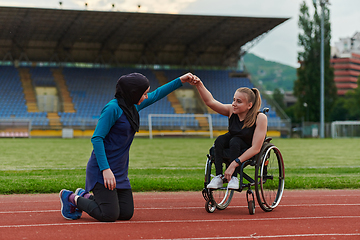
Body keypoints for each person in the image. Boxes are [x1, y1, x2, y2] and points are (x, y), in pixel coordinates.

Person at [59, 72, 195, 222]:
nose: (147, 97)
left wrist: (181, 80)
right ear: (133, 93)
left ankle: (85, 196)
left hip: (120, 171)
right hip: (102, 170)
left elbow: (157, 94)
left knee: (125, 213)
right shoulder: (112, 109)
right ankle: (70, 197)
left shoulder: (132, 106)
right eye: (144, 93)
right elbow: (97, 138)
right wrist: (105, 169)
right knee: (109, 215)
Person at [192, 76, 267, 189]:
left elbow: (256, 148)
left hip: (248, 147)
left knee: (235, 141)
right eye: (234, 100)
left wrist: (234, 163)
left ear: (249, 105)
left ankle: (234, 178)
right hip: (233, 143)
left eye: (239, 101)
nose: (234, 104)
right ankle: (218, 177)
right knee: (220, 140)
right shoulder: (231, 111)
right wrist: (199, 84)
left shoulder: (260, 117)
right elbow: (210, 102)